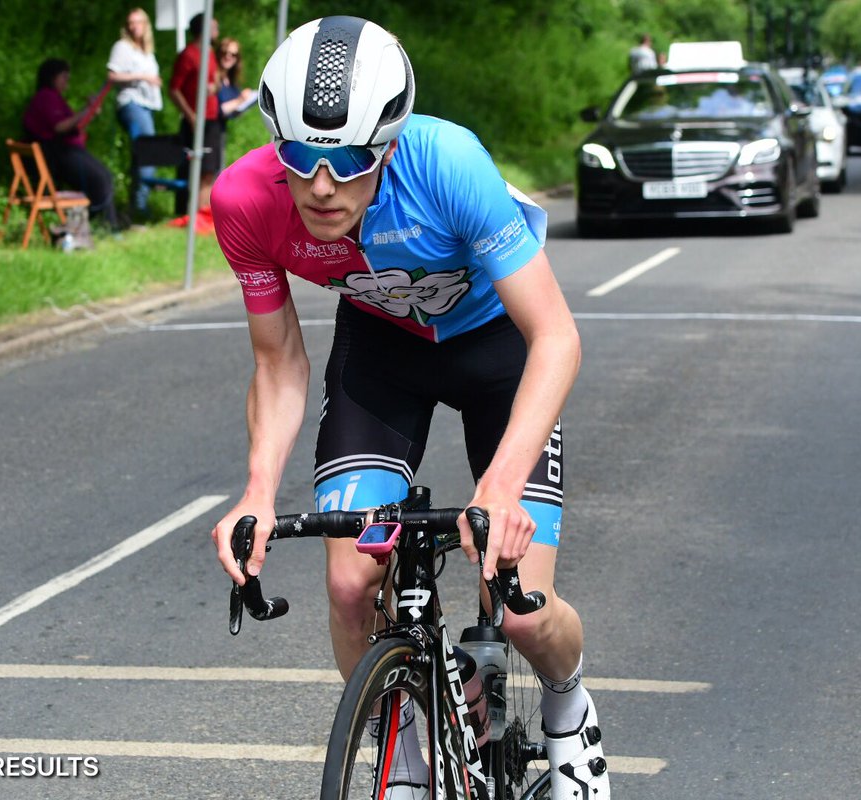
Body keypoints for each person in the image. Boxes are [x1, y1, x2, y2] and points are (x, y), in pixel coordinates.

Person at [208, 16, 609, 800]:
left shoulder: (447, 163)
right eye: (301, 157)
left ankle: (568, 708)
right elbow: (278, 363)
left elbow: (556, 336)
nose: (323, 185)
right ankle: (404, 757)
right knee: (350, 583)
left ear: (389, 145)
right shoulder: (244, 201)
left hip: (498, 346)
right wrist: (256, 492)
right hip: (384, 351)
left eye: (352, 159)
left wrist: (501, 485)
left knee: (521, 611)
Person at [22, 58, 121, 232]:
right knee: (100, 178)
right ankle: (105, 225)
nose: (67, 81)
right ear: (52, 77)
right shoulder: (46, 97)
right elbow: (60, 127)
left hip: (65, 152)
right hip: (57, 155)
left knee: (104, 176)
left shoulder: (53, 97)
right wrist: (86, 110)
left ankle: (105, 223)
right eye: (64, 77)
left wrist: (89, 111)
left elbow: (75, 125)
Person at [107, 7, 163, 219]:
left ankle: (134, 205)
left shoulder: (146, 51)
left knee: (142, 154)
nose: (134, 26)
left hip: (147, 105)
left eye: (138, 22)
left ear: (145, 24)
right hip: (132, 103)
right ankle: (140, 207)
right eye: (130, 22)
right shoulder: (122, 47)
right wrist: (143, 77)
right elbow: (112, 76)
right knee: (148, 152)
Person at [170, 12, 221, 214]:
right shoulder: (188, 55)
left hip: (212, 118)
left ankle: (203, 213)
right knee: (190, 168)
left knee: (209, 168)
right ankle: (186, 212)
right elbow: (174, 89)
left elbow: (215, 79)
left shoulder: (210, 52)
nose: (217, 31)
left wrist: (215, 86)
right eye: (214, 27)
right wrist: (190, 115)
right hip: (195, 119)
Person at [213, 37, 255, 167]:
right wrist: (240, 100)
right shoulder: (212, 77)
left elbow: (232, 111)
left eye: (233, 54)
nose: (228, 57)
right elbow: (217, 109)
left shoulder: (231, 81)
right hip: (208, 132)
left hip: (220, 133)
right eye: (224, 52)